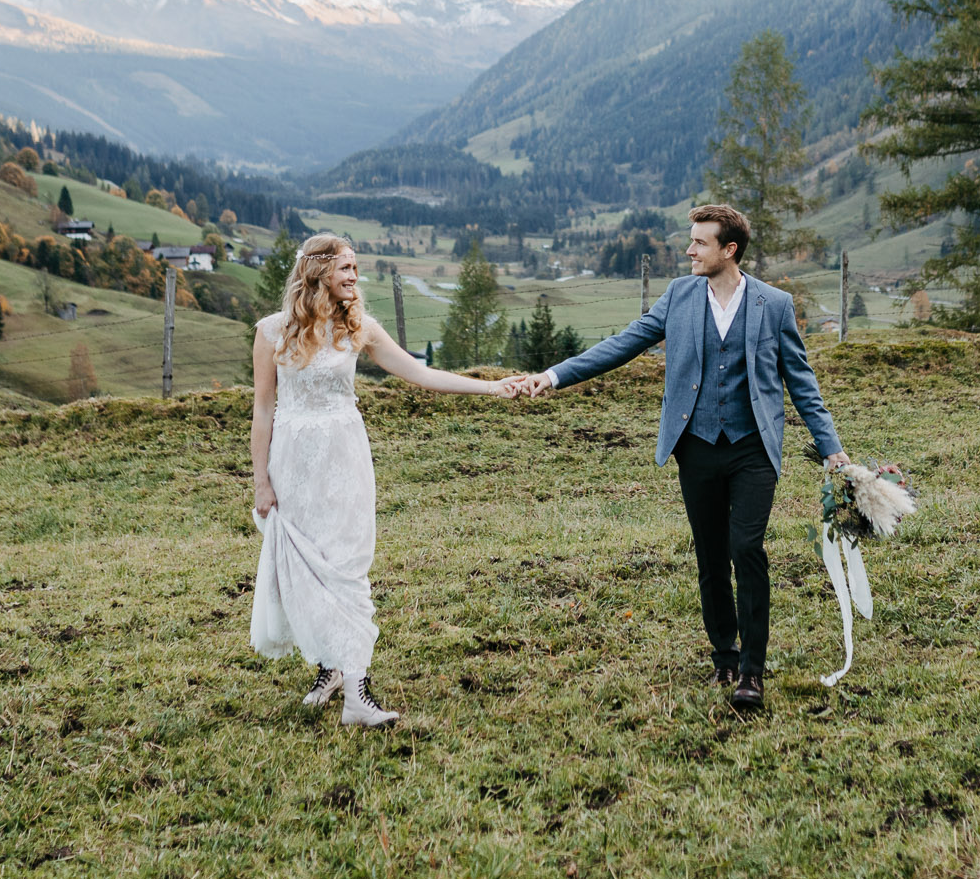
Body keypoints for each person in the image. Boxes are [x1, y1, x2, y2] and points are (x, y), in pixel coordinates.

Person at [512, 203, 848, 708]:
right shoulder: (679, 296)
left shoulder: (773, 305)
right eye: (690, 240)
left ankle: (752, 672)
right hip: (696, 447)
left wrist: (832, 449)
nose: (689, 250)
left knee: (746, 549)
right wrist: (554, 375)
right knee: (711, 556)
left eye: (700, 242)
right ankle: (725, 656)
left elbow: (802, 383)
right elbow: (623, 344)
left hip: (753, 447)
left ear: (728, 250)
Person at [249, 233, 511, 727]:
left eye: (355, 267)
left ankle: (358, 697)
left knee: (347, 565)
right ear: (318, 271)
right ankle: (330, 670)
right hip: (293, 460)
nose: (354, 276)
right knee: (310, 567)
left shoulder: (358, 327)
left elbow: (419, 373)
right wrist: (261, 480)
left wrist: (492, 387)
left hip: (345, 457)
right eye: (346, 267)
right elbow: (263, 411)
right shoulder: (271, 333)